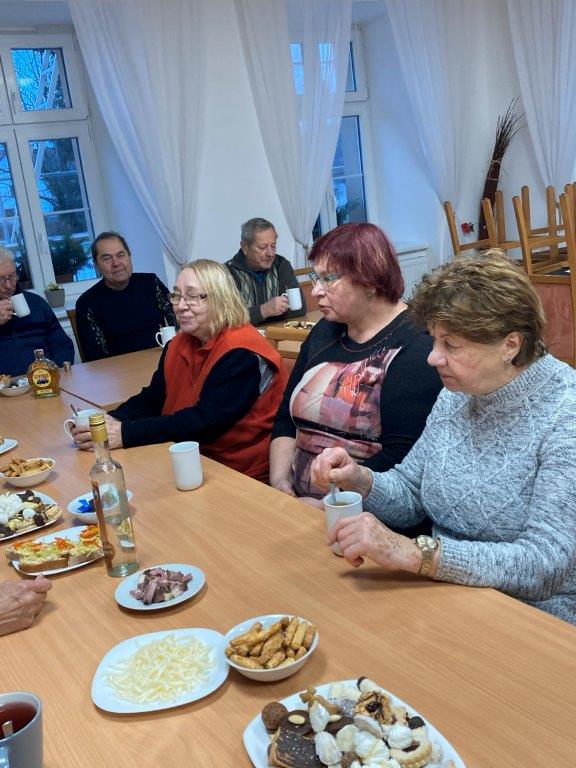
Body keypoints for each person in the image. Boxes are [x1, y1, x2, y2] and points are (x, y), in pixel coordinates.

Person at [311, 250, 576, 625]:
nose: (433, 358)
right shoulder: (459, 391)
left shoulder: (565, 413)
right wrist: (360, 479)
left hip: (532, 619)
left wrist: (418, 554)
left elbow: (545, 565)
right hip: (443, 594)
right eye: (434, 340)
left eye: (450, 344)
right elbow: (411, 493)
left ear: (510, 345)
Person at [270, 223, 441, 534]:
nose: (316, 291)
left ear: (370, 282)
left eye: (329, 279)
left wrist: (326, 506)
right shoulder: (325, 330)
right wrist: (280, 483)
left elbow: (400, 462)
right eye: (315, 278)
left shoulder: (416, 347)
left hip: (363, 521)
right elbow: (285, 419)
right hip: (295, 506)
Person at [73, 260, 287, 482]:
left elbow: (204, 422)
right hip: (189, 458)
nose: (181, 306)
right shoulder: (179, 343)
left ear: (221, 299)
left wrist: (124, 434)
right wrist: (109, 420)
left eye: (193, 296)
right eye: (177, 295)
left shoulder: (242, 353)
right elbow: (153, 398)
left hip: (239, 472)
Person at [75, 231, 175, 361]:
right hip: (119, 369)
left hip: (161, 361)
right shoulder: (87, 303)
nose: (116, 263)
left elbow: (178, 322)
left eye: (120, 255)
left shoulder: (151, 282)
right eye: (107, 258)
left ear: (129, 256)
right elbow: (96, 357)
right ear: (96, 265)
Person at [0, 246, 74, 375]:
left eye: (12, 276)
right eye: (0, 279)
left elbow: (63, 346)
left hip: (46, 380)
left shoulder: (36, 303)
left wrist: (52, 373)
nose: (8, 285)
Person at [225, 217, 306, 324]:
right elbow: (228, 319)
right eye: (262, 248)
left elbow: (299, 309)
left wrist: (253, 316)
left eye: (273, 246)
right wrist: (264, 311)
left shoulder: (281, 265)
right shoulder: (228, 272)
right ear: (245, 247)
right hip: (247, 334)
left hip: (278, 331)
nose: (270, 254)